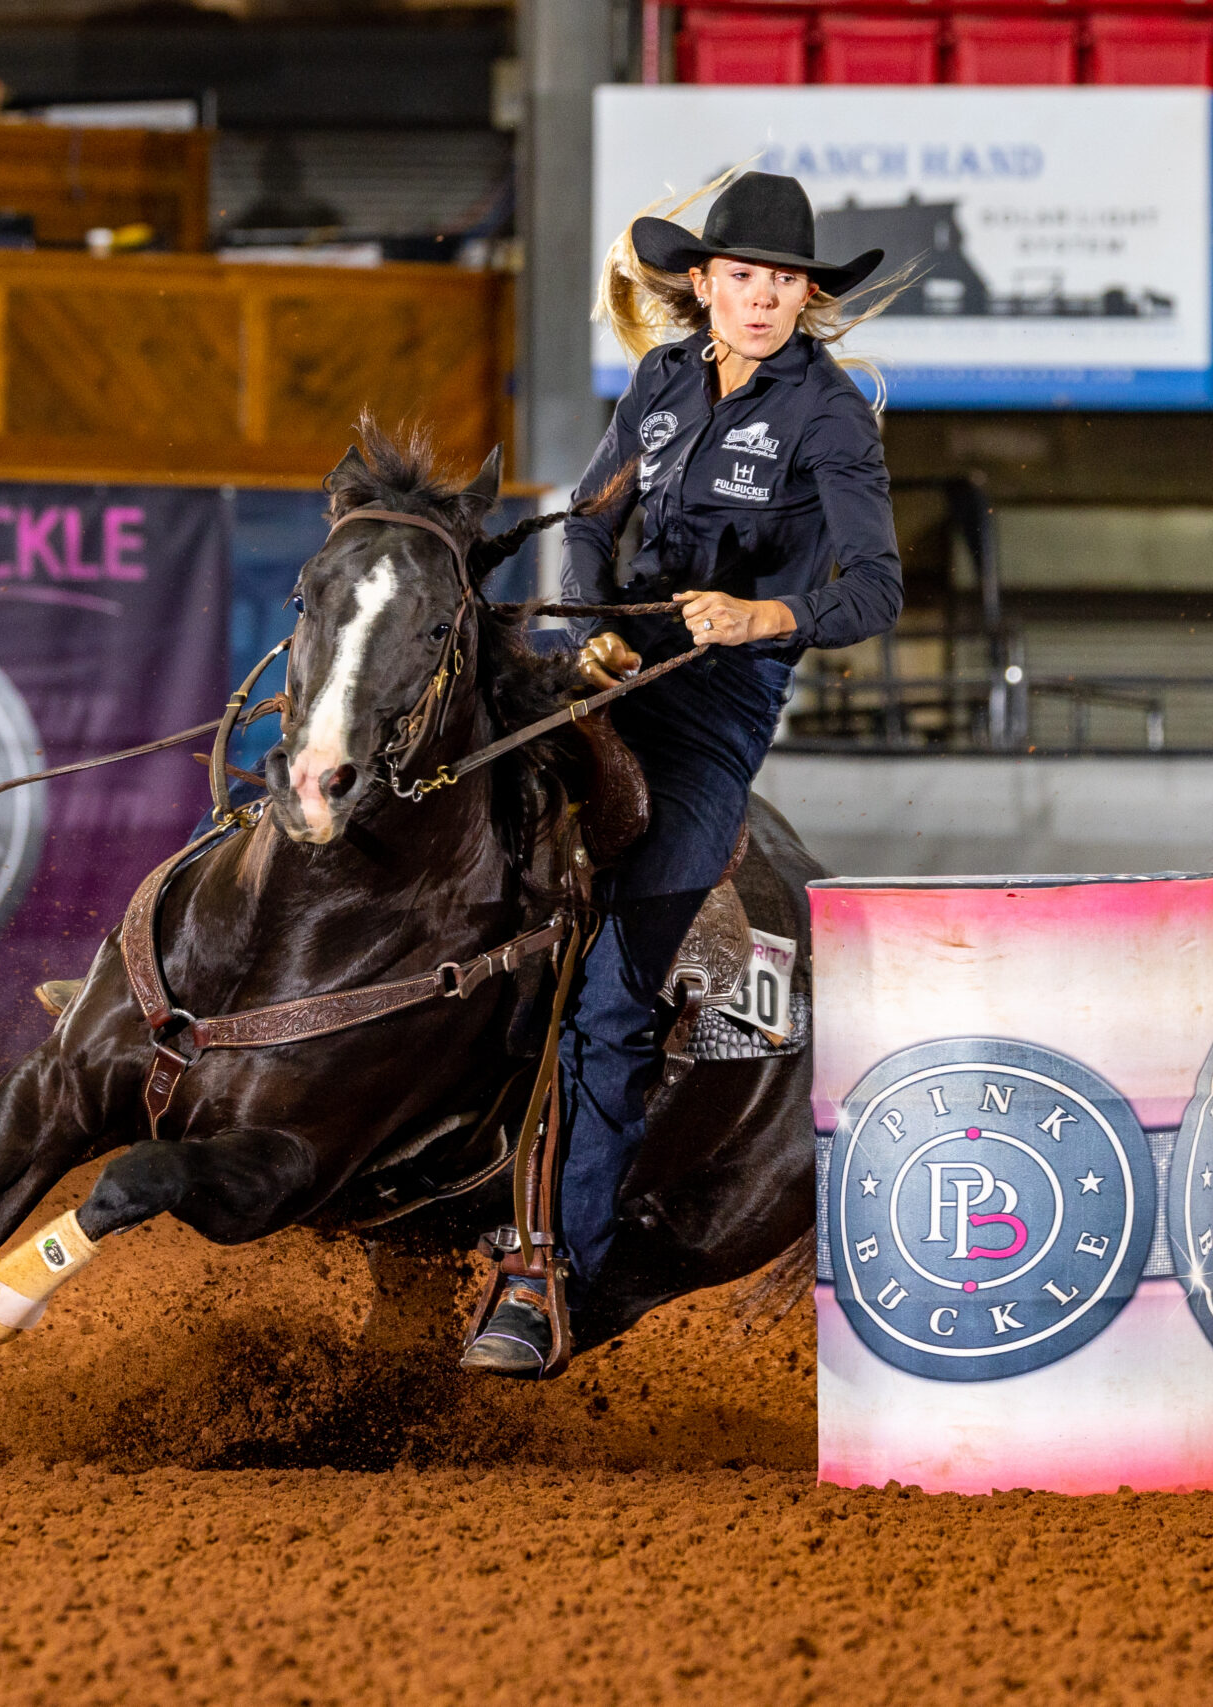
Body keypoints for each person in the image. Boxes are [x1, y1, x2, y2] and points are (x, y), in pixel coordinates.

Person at [463, 171, 906, 1375]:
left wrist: (762, 617)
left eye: (783, 282)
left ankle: (549, 1271)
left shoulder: (829, 418)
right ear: (702, 283)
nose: (762, 297)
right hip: (604, 665)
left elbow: (874, 589)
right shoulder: (660, 382)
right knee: (430, 770)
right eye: (742, 276)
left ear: (806, 298)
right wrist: (589, 616)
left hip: (710, 717)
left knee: (612, 997)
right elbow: (589, 514)